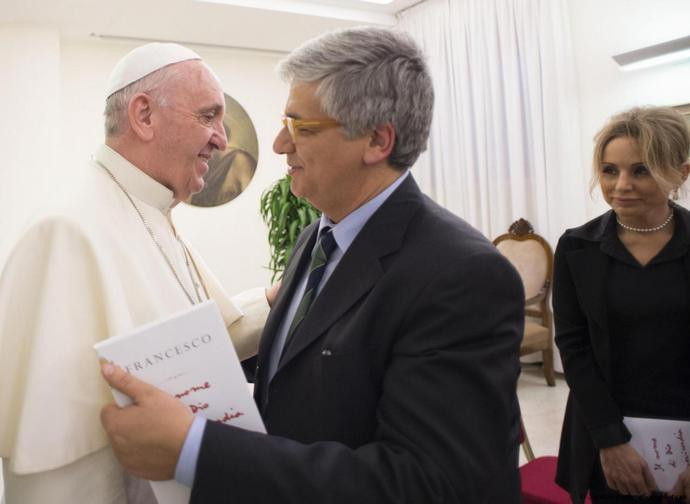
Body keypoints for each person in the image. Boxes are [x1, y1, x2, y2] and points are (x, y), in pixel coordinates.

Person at [99, 26, 525, 503]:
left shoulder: (460, 275)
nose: (280, 144)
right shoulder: (315, 239)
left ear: (377, 141)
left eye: (301, 127)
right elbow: (300, 393)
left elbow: (429, 483)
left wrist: (197, 448)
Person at [0, 43, 276, 503]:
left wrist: (276, 298)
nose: (223, 140)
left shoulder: (152, 209)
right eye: (208, 117)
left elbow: (200, 340)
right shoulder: (67, 230)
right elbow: (56, 455)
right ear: (144, 115)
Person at [553, 106, 690, 504]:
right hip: (609, 428)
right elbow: (574, 347)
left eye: (641, 170)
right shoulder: (577, 248)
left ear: (680, 173)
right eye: (610, 170)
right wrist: (609, 441)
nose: (621, 185)